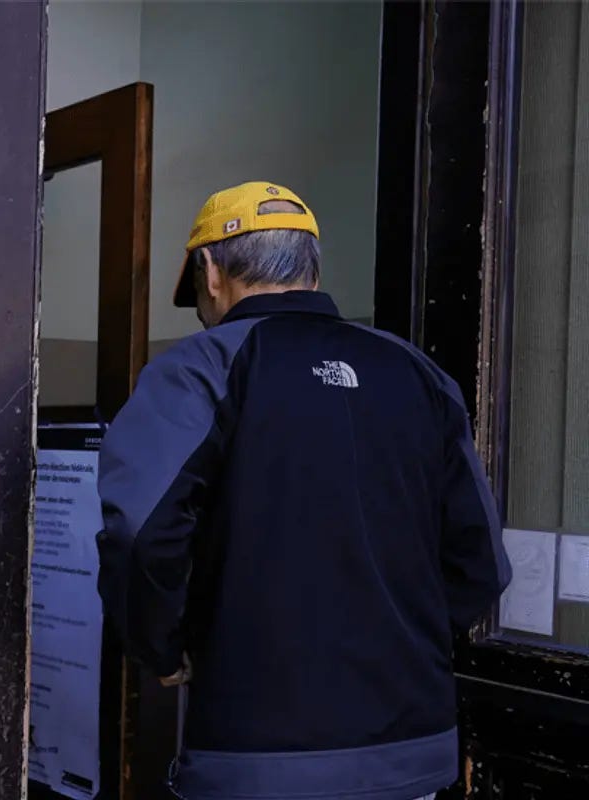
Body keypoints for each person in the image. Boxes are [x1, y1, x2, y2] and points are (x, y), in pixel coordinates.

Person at [95, 181, 511, 800]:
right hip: (412, 754)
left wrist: (161, 647)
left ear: (211, 272)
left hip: (256, 759)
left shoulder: (198, 370)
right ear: (312, 272)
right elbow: (481, 563)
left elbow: (140, 530)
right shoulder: (419, 374)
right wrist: (397, 632)